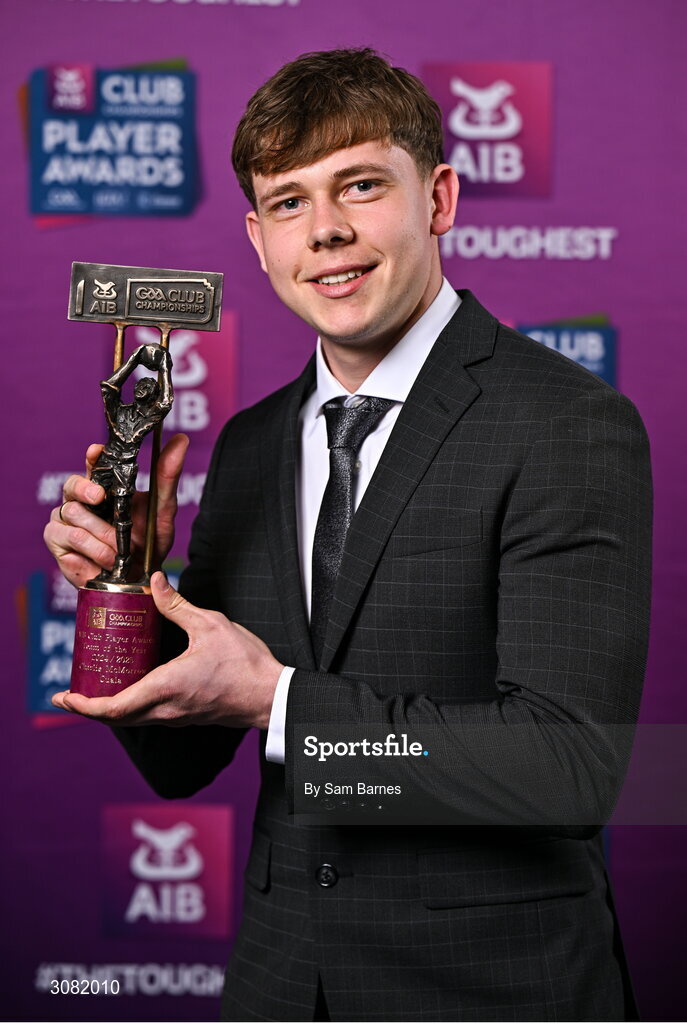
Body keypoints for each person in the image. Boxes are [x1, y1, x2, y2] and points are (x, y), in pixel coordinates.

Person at [45, 48, 652, 1022]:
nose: (325, 230)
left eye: (360, 185)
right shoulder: (249, 446)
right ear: (256, 236)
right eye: (288, 202)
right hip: (284, 991)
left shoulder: (567, 423)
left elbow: (567, 766)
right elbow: (182, 760)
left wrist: (280, 703)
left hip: (490, 994)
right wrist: (129, 580)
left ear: (440, 197)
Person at [89, 342, 173, 582]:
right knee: (95, 506)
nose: (141, 385)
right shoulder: (119, 411)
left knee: (121, 514)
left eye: (148, 384)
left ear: (153, 396)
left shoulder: (149, 418)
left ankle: (122, 562)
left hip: (124, 468)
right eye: (139, 382)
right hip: (105, 462)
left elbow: (166, 402)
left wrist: (164, 367)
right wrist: (135, 358)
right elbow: (109, 387)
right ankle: (104, 560)